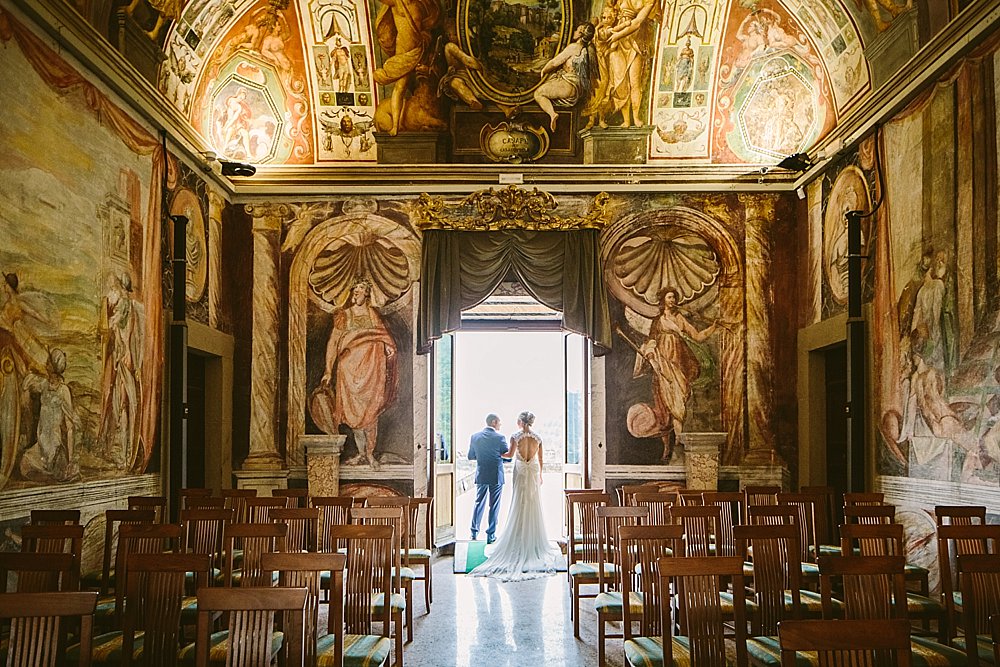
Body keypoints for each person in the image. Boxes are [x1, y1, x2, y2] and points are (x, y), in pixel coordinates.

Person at [469, 411, 562, 581]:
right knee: (533, 503)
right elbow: (540, 460)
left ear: (520, 421)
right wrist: (540, 475)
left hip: (520, 472)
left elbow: (509, 456)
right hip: (532, 472)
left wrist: (494, 455)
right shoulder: (538, 438)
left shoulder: (515, 436)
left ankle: (486, 533)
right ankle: (533, 541)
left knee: (518, 502)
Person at [319, 280, 397, 469]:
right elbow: (333, 342)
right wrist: (328, 370)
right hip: (349, 370)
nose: (356, 293)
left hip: (372, 369)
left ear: (367, 294)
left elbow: (384, 336)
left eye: (360, 290)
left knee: (370, 412)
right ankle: (361, 453)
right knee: (354, 413)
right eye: (354, 289)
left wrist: (388, 348)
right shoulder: (344, 316)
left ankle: (370, 454)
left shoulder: (372, 315)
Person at [634, 288, 717, 462]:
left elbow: (697, 336)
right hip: (663, 366)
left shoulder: (679, 319)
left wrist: (713, 327)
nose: (672, 300)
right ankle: (670, 444)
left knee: (680, 402)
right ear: (663, 300)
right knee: (666, 407)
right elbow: (651, 341)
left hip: (678, 367)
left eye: (674, 298)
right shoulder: (659, 321)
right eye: (669, 297)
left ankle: (679, 440)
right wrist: (651, 356)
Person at [533, 23, 599, 131]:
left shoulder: (573, 47)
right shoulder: (590, 50)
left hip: (569, 85)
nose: (574, 32)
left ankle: (552, 114)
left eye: (576, 30)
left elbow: (555, 62)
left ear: (581, 34)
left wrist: (544, 70)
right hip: (578, 88)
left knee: (538, 94)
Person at [467, 413, 508, 544]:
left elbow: (471, 456)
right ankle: (491, 535)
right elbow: (508, 457)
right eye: (499, 422)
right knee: (494, 505)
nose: (500, 424)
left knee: (479, 502)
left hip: (482, 473)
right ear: (494, 422)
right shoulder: (500, 437)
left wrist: (483, 457)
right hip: (496, 474)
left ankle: (474, 532)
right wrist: (497, 458)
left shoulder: (475, 437)